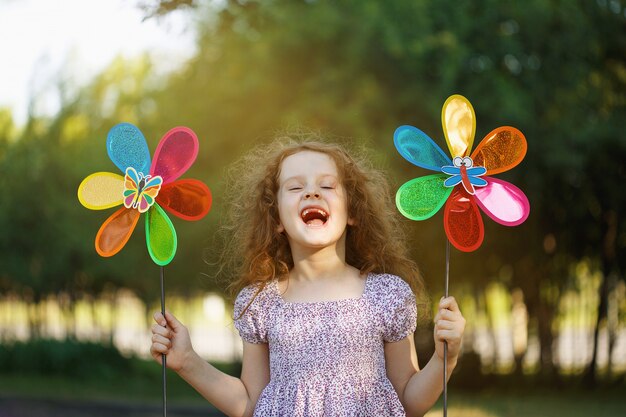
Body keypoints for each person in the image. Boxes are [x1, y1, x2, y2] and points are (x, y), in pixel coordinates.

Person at [150, 134, 466, 417]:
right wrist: (187, 361)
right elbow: (249, 404)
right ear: (276, 218)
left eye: (327, 186)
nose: (312, 193)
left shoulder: (386, 295)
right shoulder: (262, 303)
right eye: (296, 187)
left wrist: (443, 360)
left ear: (353, 212)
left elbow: (409, 402)